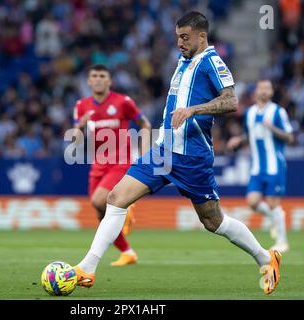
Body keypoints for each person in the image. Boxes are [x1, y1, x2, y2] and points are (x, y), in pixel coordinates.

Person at [72, 11, 282, 295]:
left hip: (192, 158)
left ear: (202, 36)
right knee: (115, 198)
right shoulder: (183, 62)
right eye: (177, 38)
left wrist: (194, 110)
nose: (180, 43)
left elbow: (231, 101)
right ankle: (87, 268)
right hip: (163, 151)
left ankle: (265, 257)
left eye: (185, 37)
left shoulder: (212, 61)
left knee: (213, 221)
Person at [72, 64, 152, 266]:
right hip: (98, 163)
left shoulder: (123, 102)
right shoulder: (82, 105)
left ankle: (126, 207)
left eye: (102, 76)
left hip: (120, 160)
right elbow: (75, 140)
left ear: (109, 81)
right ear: (89, 81)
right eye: (94, 76)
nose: (98, 79)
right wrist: (79, 126)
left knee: (99, 201)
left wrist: (144, 155)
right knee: (101, 214)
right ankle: (128, 252)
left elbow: (145, 124)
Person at [227, 79, 294, 253]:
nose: (264, 91)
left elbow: (290, 137)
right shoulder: (249, 113)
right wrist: (239, 140)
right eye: (261, 88)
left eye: (268, 88)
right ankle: (275, 219)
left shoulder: (278, 112)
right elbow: (250, 135)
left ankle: (282, 241)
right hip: (257, 167)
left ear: (271, 92)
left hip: (274, 165)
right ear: (256, 92)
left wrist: (272, 128)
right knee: (252, 202)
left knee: (272, 202)